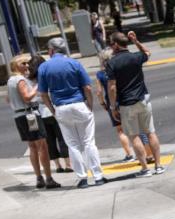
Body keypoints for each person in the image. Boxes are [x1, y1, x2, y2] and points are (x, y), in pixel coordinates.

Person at [37, 37, 107, 189]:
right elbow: (87, 88)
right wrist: (89, 104)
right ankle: (98, 176)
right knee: (88, 142)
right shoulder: (74, 63)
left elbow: (43, 93)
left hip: (61, 107)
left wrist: (52, 110)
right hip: (79, 103)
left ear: (50, 50)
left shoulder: (44, 67)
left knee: (73, 144)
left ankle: (82, 178)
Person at [106, 30, 165, 177]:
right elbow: (148, 52)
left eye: (111, 44)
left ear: (115, 45)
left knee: (134, 136)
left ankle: (145, 168)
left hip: (126, 103)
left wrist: (113, 106)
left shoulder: (111, 63)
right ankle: (158, 165)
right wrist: (136, 41)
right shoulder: (136, 57)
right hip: (142, 99)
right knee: (150, 132)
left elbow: (112, 87)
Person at [5, 54, 60, 189]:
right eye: (23, 63)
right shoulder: (20, 80)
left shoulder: (11, 80)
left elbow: (7, 99)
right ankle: (48, 178)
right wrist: (37, 87)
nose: (27, 65)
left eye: (27, 63)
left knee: (32, 147)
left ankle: (39, 177)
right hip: (30, 115)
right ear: (16, 66)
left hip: (19, 116)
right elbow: (27, 97)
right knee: (42, 146)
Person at [27, 54, 71, 175]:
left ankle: (57, 165)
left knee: (49, 140)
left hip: (39, 112)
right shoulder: (48, 75)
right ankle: (68, 163)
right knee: (62, 137)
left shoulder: (28, 80)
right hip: (53, 109)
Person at [95, 47, 135, 162]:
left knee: (120, 130)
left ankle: (129, 154)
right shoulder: (117, 69)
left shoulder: (100, 74)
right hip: (125, 99)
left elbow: (98, 92)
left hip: (112, 103)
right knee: (132, 128)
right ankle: (141, 151)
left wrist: (102, 103)